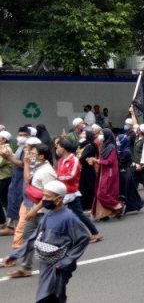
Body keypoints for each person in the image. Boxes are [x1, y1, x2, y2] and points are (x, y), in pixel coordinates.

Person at [3, 180, 90, 302]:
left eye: (48, 197)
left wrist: (66, 261)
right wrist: (14, 255)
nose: (44, 199)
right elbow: (34, 238)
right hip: (46, 264)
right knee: (46, 296)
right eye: (43, 195)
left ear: (59, 199)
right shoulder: (48, 215)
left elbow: (84, 238)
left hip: (59, 267)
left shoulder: (69, 218)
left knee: (53, 297)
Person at [4, 143, 58, 278]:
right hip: (35, 209)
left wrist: (34, 210)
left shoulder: (47, 172)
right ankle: (25, 267)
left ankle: (59, 262)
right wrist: (27, 164)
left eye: (33, 154)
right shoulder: (38, 167)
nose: (30, 156)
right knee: (28, 238)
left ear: (41, 156)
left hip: (44, 211)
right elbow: (28, 180)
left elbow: (49, 195)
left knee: (47, 240)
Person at [55, 139, 102, 243]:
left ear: (63, 149)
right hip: (63, 193)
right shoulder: (61, 160)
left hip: (71, 192)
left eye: (58, 147)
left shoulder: (74, 160)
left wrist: (57, 177)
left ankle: (94, 233)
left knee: (78, 215)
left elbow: (71, 175)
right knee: (70, 215)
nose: (56, 149)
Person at [0, 127, 29, 237]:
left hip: (17, 178)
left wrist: (8, 157)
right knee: (11, 201)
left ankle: (15, 227)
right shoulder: (19, 148)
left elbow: (22, 164)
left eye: (24, 135)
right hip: (15, 178)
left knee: (17, 201)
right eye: (19, 134)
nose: (20, 137)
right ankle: (11, 226)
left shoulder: (25, 149)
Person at [88, 129, 123, 220]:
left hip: (110, 173)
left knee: (102, 193)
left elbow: (109, 161)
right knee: (107, 193)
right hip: (105, 171)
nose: (100, 135)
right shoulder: (105, 145)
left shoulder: (111, 147)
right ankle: (111, 211)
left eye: (101, 134)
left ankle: (118, 206)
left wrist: (96, 161)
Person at [116, 133, 144, 214]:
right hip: (124, 173)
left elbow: (121, 164)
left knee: (125, 191)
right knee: (129, 191)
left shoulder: (126, 151)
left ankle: (124, 206)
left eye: (118, 140)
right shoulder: (121, 150)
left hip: (125, 173)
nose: (117, 142)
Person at [77, 129, 98, 211]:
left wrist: (76, 159)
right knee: (82, 187)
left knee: (89, 187)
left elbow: (83, 157)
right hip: (82, 170)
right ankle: (85, 205)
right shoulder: (81, 145)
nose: (81, 134)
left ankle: (91, 205)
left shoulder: (90, 145)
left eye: (83, 133)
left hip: (88, 169)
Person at [0, 131, 13, 229]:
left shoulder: (6, 149)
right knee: (5, 199)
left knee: (5, 200)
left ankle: (2, 221)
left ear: (4, 139)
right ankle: (10, 221)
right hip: (4, 177)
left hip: (4, 177)